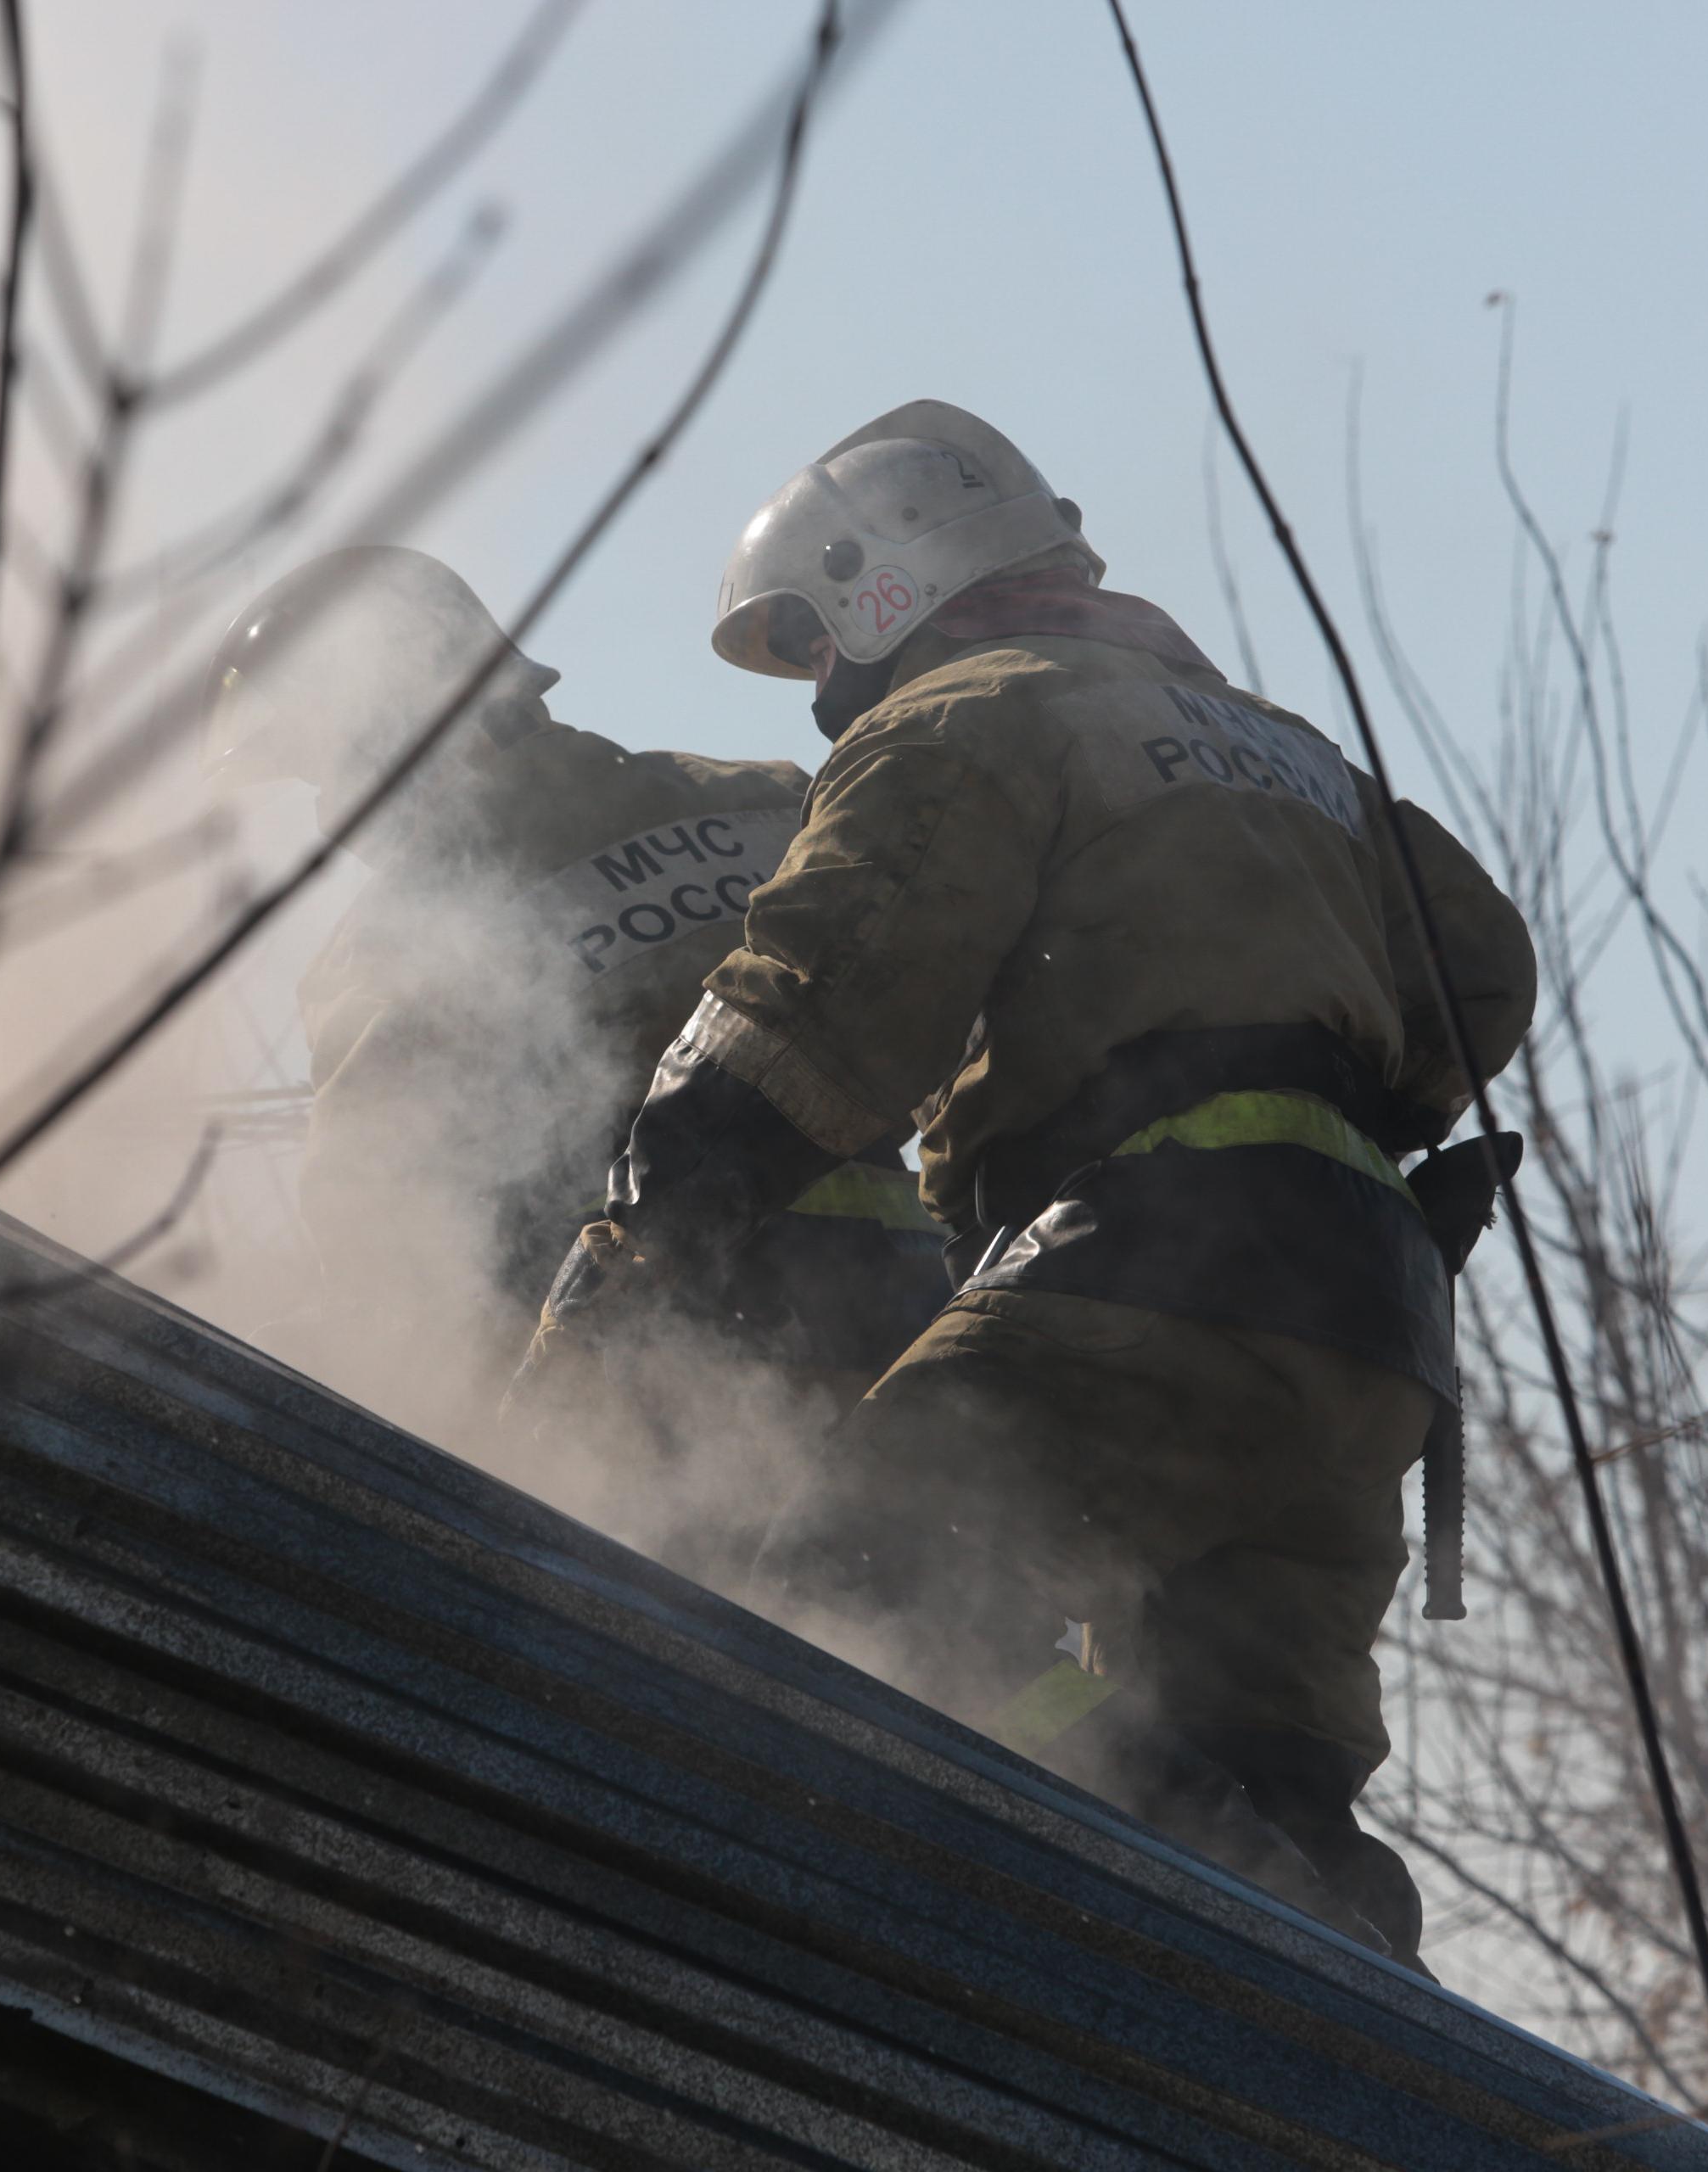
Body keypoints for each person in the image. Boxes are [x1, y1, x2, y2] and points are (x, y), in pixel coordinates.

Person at [517, 403, 1536, 1964]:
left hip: (1148, 1276)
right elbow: (1481, 965)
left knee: (853, 1589)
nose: (823, 696)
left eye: (816, 648)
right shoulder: (1289, 750)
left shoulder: (962, 720)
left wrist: (635, 1259)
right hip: (1368, 1324)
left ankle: (1192, 1888)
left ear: (884, 584)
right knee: (1280, 1763)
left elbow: (817, 1007)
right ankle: (1349, 2035)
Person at [202, 546, 946, 1485]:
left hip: (654, 1401)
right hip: (904, 1333)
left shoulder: (397, 948)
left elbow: (376, 1246)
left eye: (323, 771)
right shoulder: (767, 800)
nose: (329, 810)